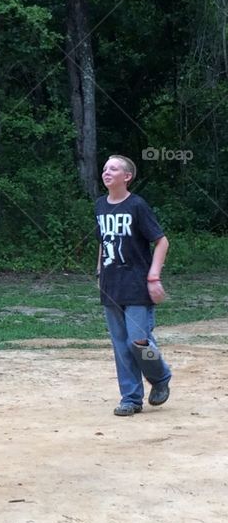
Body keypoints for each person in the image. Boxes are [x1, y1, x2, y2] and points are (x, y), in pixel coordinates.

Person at [95, 155, 172, 417]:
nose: (106, 172)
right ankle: (131, 398)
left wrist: (154, 277)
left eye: (113, 168)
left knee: (138, 342)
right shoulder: (100, 206)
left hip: (137, 284)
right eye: (105, 168)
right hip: (111, 285)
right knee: (120, 344)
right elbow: (103, 242)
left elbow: (162, 241)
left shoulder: (137, 206)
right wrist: (99, 273)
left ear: (126, 177)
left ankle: (160, 376)